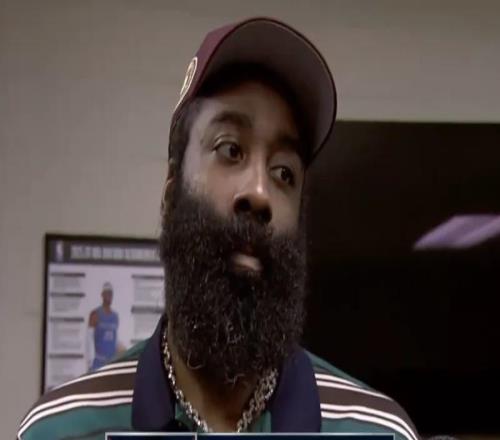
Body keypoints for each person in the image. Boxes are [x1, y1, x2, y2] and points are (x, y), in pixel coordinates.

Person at [17, 17, 420, 440]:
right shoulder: (59, 429)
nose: (260, 192)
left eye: (284, 172)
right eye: (230, 150)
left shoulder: (379, 431)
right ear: (171, 193)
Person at [87, 282, 120, 371]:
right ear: (102, 295)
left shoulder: (115, 316)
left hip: (111, 363)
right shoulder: (95, 314)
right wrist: (89, 362)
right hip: (99, 362)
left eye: (110, 294)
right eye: (107, 293)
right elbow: (89, 339)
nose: (109, 296)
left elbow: (115, 339)